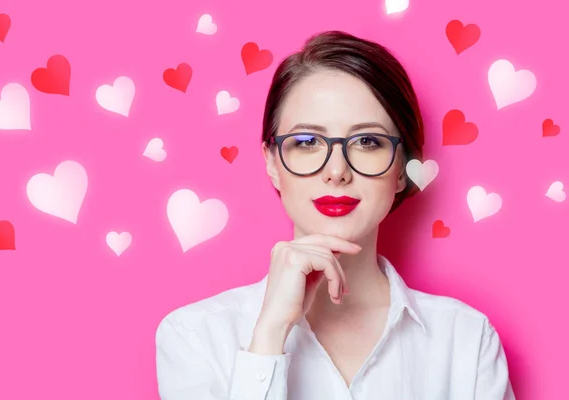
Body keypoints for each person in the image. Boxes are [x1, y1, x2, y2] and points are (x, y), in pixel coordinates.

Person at [155, 30, 516, 399]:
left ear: (401, 167)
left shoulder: (467, 340)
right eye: (308, 142)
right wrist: (270, 335)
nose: (336, 170)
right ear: (273, 163)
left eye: (367, 141)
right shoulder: (194, 336)